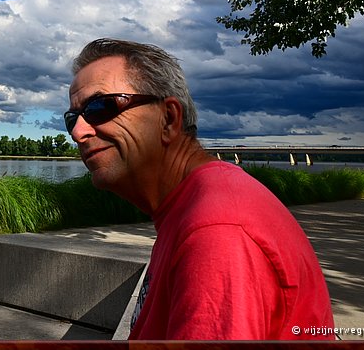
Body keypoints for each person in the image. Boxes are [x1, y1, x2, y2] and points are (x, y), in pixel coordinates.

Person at [66, 38, 335, 340]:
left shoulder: (216, 230)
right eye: (72, 118)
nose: (78, 132)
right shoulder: (193, 204)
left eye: (101, 107)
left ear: (168, 119)